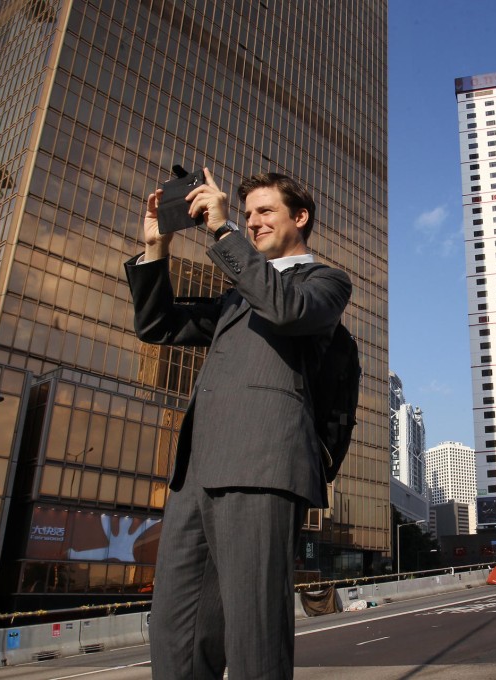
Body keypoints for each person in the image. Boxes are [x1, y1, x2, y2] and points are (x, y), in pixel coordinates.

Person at [125, 169, 352, 679]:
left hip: (261, 465)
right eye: (246, 215)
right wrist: (156, 248)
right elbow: (158, 324)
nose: (253, 222)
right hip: (196, 474)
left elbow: (286, 310)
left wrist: (224, 231)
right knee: (176, 634)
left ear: (300, 217)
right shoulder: (238, 294)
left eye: (265, 211)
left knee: (254, 635)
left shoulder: (324, 282)